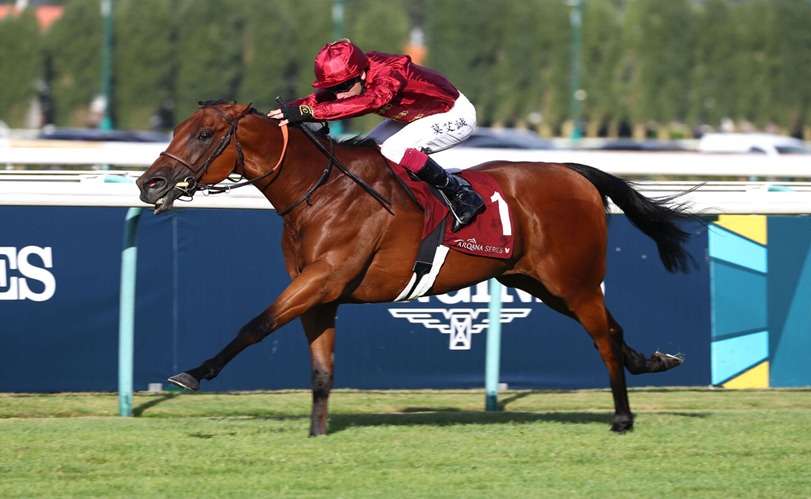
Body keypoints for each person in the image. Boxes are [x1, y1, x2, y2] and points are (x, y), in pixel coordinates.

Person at [268, 39, 484, 231]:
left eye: (343, 86)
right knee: (369, 153)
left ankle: (462, 194)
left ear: (362, 74)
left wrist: (308, 113)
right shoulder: (352, 76)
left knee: (394, 150)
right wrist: (283, 113)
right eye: (333, 88)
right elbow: (317, 100)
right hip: (414, 116)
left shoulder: (388, 74)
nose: (339, 95)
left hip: (453, 114)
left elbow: (370, 102)